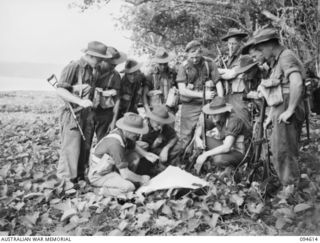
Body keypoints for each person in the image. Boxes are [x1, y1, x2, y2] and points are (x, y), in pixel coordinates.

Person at [248, 28, 305, 188]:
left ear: (269, 45)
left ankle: (291, 188)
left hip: (287, 108)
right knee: (278, 147)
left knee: (284, 150)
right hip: (281, 108)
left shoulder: (286, 57)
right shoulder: (278, 61)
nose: (261, 53)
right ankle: (287, 184)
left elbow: (297, 82)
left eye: (261, 49)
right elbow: (278, 93)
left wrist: (290, 110)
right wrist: (270, 117)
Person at [56, 41, 111, 182]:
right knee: (70, 149)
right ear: (91, 55)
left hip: (87, 116)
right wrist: (79, 101)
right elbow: (60, 90)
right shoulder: (73, 67)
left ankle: (79, 178)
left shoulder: (94, 69)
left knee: (84, 148)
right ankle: (65, 183)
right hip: (72, 114)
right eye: (100, 59)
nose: (101, 62)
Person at [88, 112, 151, 196]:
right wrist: (141, 178)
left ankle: (125, 178)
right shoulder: (115, 144)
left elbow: (133, 145)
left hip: (110, 167)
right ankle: (100, 190)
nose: (138, 134)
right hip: (99, 175)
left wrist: (146, 154)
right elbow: (125, 173)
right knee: (129, 187)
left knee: (135, 156)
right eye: (135, 132)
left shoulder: (122, 133)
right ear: (126, 129)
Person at [176, 40, 223, 151]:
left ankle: (202, 158)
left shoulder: (209, 63)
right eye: (192, 57)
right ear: (187, 55)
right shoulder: (184, 67)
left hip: (207, 105)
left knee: (207, 131)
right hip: (190, 105)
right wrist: (203, 95)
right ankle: (180, 160)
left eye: (197, 56)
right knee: (185, 136)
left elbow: (218, 82)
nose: (195, 60)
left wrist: (220, 101)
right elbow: (182, 90)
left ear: (201, 52)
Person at [194, 97, 251, 174]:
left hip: (239, 152)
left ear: (222, 112)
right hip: (228, 148)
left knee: (218, 159)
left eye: (215, 114)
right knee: (202, 137)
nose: (212, 117)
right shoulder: (216, 117)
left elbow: (227, 147)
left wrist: (205, 154)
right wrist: (197, 138)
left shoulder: (234, 120)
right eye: (211, 114)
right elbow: (202, 125)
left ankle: (231, 169)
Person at [219, 28, 253, 127]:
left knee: (241, 121)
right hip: (228, 95)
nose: (230, 47)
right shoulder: (228, 58)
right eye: (229, 44)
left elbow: (231, 75)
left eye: (233, 44)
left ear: (240, 43)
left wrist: (219, 72)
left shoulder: (245, 57)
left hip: (240, 95)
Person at [133, 105, 178, 176]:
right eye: (158, 124)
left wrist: (166, 148)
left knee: (177, 147)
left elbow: (174, 137)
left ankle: (162, 168)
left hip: (154, 152)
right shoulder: (141, 125)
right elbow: (130, 143)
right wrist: (151, 147)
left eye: (162, 125)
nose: (160, 127)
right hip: (140, 153)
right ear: (151, 119)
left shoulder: (163, 126)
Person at [94, 47, 127, 141]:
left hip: (105, 113)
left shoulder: (115, 76)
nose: (114, 66)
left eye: (115, 64)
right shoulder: (93, 70)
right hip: (89, 111)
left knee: (103, 140)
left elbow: (117, 99)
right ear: (104, 60)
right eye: (111, 64)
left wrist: (113, 121)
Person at [143, 48, 177, 113]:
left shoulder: (173, 74)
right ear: (157, 63)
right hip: (155, 111)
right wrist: (148, 111)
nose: (163, 66)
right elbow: (144, 95)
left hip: (170, 110)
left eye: (165, 64)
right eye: (160, 64)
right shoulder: (150, 75)